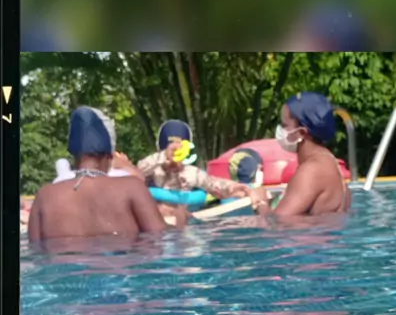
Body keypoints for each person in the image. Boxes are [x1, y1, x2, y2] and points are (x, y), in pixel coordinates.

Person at [28, 106, 167, 247]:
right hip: (121, 260)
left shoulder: (45, 196)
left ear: (73, 153)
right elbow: (157, 242)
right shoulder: (132, 187)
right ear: (110, 155)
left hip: (68, 260)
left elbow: (35, 249)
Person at [250, 91, 351, 217]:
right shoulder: (329, 163)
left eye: (284, 125)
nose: (280, 130)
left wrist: (260, 202)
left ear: (301, 133)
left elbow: (276, 223)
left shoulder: (312, 171)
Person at [137, 119, 252, 200]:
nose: (174, 158)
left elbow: (213, 183)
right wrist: (164, 157)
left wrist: (233, 187)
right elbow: (138, 170)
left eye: (179, 153)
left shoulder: (191, 173)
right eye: (171, 152)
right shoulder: (152, 171)